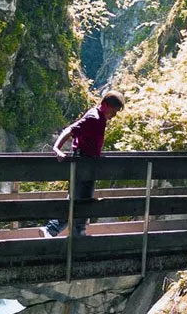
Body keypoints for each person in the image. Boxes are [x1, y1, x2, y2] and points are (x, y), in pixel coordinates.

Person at [42, 90, 125, 238]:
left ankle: (55, 230)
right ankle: (71, 235)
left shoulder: (98, 116)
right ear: (105, 105)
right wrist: (57, 148)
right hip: (84, 163)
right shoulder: (94, 118)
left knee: (76, 199)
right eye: (114, 111)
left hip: (87, 162)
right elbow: (70, 129)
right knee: (82, 202)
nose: (114, 115)